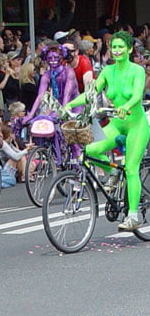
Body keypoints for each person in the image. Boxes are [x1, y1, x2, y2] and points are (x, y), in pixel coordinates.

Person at [64, 31, 150, 230]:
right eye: (114, 47)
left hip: (136, 125)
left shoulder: (137, 70)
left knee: (131, 168)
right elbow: (90, 95)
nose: (117, 50)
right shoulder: (107, 71)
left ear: (129, 49)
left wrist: (127, 106)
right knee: (91, 150)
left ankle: (134, 216)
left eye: (121, 47)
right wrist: (69, 105)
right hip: (116, 124)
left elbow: (137, 94)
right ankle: (113, 172)